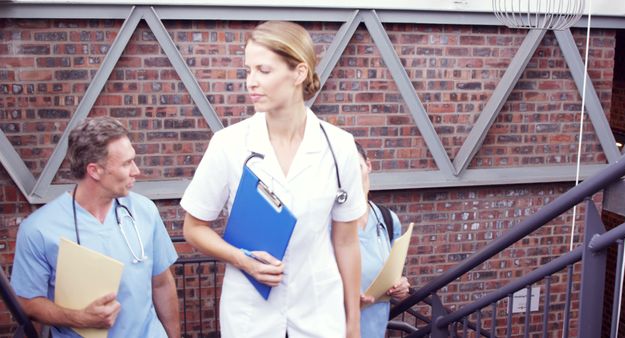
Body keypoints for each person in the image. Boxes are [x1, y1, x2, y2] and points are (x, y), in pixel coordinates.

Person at [180, 21, 367, 338]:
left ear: (299, 72)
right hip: (250, 315)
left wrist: (353, 323)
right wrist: (243, 260)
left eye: (263, 71)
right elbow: (193, 228)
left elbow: (347, 241)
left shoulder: (340, 147)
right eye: (247, 71)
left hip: (319, 313)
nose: (251, 82)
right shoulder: (229, 144)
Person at [10, 116, 180, 337]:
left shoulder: (145, 211)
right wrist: (78, 318)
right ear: (95, 170)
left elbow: (162, 284)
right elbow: (27, 302)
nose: (136, 171)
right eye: (126, 163)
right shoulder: (38, 230)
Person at [355, 141, 411, 338]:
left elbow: (393, 274)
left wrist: (401, 286)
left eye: (357, 167)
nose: (352, 177)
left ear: (368, 165)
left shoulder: (388, 220)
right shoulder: (329, 223)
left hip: (375, 329)